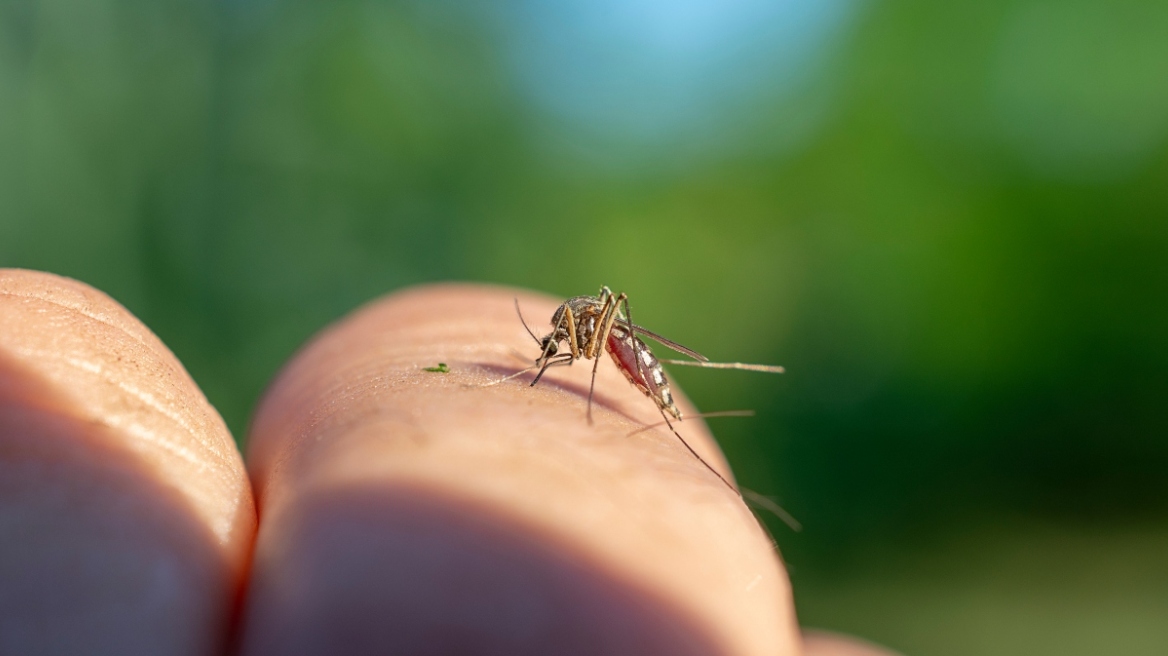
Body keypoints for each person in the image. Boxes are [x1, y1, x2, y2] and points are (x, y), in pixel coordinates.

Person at [0, 269, 894, 655]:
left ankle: (704, 369)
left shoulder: (590, 332)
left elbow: (596, 326)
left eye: (553, 347)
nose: (546, 352)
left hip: (630, 352)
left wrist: (596, 371)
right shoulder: (557, 336)